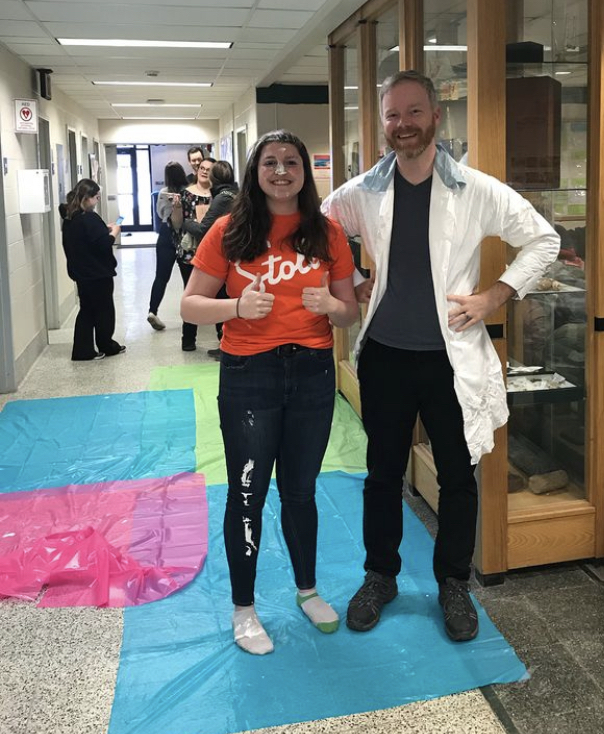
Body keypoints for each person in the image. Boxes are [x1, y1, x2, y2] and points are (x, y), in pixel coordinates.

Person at [321, 70, 560, 642]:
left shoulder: (474, 189)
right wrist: (354, 280)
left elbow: (544, 239)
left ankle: (453, 583)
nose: (403, 125)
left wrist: (494, 295)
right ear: (382, 125)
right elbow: (320, 228)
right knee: (381, 475)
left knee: (458, 476)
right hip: (384, 356)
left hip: (450, 361)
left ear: (435, 117)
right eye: (392, 116)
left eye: (413, 112)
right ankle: (381, 576)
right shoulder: (362, 192)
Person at [181, 130, 358, 655]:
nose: (281, 171)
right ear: (256, 172)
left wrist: (331, 306)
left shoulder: (326, 232)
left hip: (311, 374)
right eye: (270, 163)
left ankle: (307, 590)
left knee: (301, 491)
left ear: (305, 171)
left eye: (291, 163)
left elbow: (350, 309)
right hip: (249, 375)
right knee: (247, 493)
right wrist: (236, 308)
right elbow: (190, 305)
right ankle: (244, 607)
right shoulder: (229, 230)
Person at [59, 179, 127, 361]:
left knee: (87, 310)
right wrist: (115, 232)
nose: (97, 201)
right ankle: (107, 345)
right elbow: (104, 244)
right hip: (98, 274)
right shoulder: (89, 218)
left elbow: (85, 239)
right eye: (96, 197)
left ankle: (82, 350)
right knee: (104, 310)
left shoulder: (69, 218)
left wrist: (102, 229)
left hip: (81, 273)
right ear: (88, 197)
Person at [180, 160, 238, 359]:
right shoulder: (236, 194)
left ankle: (225, 345)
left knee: (219, 298)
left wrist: (185, 222)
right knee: (226, 297)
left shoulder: (223, 198)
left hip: (224, 255)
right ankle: (224, 343)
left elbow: (204, 229)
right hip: (235, 254)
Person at [171, 157, 214, 351]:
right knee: (191, 294)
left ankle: (223, 338)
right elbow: (178, 224)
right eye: (202, 168)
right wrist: (177, 209)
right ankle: (188, 340)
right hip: (190, 252)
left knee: (220, 295)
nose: (204, 171)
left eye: (209, 169)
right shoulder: (186, 194)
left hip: (215, 251)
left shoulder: (219, 194)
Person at [147, 161, 189, 331]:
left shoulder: (163, 193)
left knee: (161, 277)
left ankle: (152, 311)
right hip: (186, 234)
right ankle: (191, 314)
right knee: (189, 278)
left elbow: (159, 213)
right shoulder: (190, 191)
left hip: (166, 233)